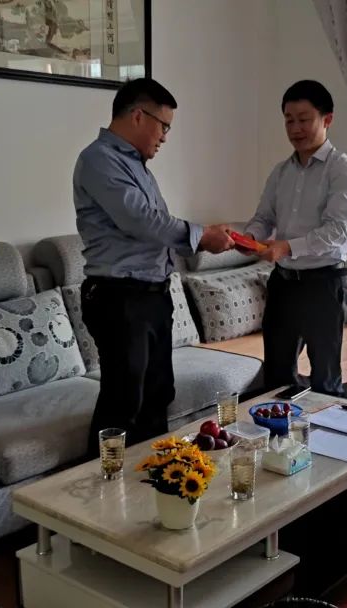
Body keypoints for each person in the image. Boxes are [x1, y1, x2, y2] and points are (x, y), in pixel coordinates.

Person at [73, 78, 234, 445]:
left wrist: (204, 237)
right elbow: (142, 221)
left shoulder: (138, 167)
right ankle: (100, 479)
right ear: (137, 116)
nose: (164, 137)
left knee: (158, 394)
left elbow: (155, 226)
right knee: (123, 402)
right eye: (164, 126)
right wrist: (201, 236)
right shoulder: (98, 159)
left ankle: (152, 473)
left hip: (151, 296)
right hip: (119, 297)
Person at [241, 80, 347, 396]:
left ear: (327, 119)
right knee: (277, 375)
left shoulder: (342, 171)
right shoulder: (281, 172)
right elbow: (264, 218)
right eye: (289, 120)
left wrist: (286, 247)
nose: (295, 128)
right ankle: (279, 428)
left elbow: (337, 231)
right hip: (282, 284)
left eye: (304, 119)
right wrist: (248, 238)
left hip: (323, 284)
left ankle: (325, 426)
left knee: (325, 377)